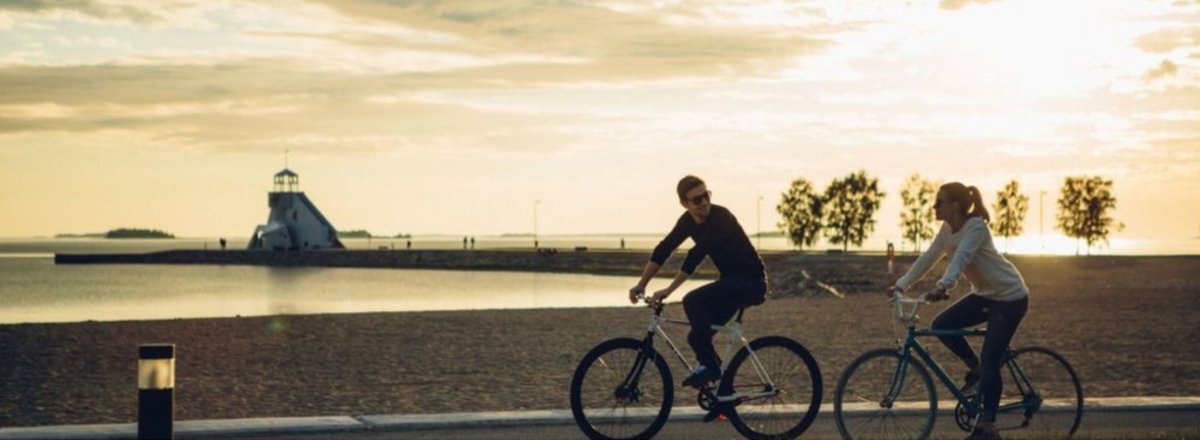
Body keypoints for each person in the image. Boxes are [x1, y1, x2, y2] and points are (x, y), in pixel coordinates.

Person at [888, 182, 1029, 440]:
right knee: (942, 324)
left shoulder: (975, 227)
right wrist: (901, 285)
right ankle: (975, 369)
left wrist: (943, 286)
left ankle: (988, 426)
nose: (934, 206)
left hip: (1010, 297)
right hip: (985, 294)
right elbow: (928, 258)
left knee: (990, 358)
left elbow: (961, 258)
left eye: (939, 202)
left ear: (954, 205)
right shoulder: (946, 230)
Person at [629, 175, 768, 389]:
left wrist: (668, 290)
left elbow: (696, 255)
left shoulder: (721, 218)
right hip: (731, 282)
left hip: (751, 283)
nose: (704, 202)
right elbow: (664, 249)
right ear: (685, 204)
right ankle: (722, 394)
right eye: (696, 200)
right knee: (696, 338)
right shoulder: (687, 221)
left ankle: (709, 367)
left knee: (692, 301)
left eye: (706, 196)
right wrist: (642, 284)